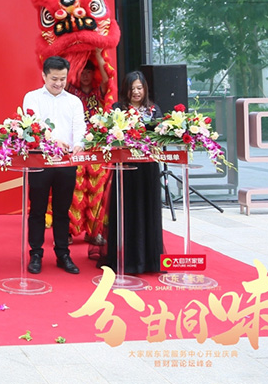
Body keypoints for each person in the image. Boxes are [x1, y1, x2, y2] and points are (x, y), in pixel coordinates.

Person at [23, 56, 87, 275]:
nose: (59, 83)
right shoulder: (32, 98)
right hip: (40, 160)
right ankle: (36, 254)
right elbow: (34, 127)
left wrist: (79, 144)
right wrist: (52, 142)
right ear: (44, 76)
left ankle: (63, 254)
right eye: (54, 79)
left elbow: (79, 127)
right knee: (37, 210)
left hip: (66, 162)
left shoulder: (74, 101)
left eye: (62, 79)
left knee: (62, 210)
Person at [102, 71, 164, 274]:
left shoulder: (154, 110)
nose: (136, 92)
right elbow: (110, 136)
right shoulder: (117, 109)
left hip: (147, 169)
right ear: (125, 90)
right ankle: (124, 258)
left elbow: (160, 137)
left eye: (139, 88)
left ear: (145, 89)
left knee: (147, 209)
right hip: (125, 169)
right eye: (132, 88)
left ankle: (148, 260)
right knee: (126, 210)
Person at [67, 54, 111, 249]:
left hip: (96, 147)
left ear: (93, 74)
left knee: (96, 190)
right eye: (82, 72)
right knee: (72, 188)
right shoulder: (70, 93)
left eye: (88, 72)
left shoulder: (98, 92)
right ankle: (67, 231)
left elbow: (108, 80)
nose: (85, 76)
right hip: (75, 146)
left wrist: (99, 53)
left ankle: (94, 232)